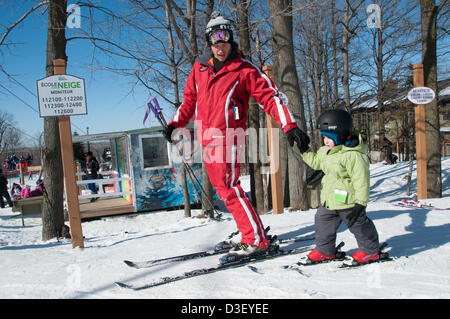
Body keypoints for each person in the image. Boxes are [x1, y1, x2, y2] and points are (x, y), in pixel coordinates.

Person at [163, 12, 309, 257]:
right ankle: (250, 232)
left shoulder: (244, 69)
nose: (221, 47)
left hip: (229, 138)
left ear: (232, 40)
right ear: (210, 42)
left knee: (228, 188)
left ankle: (255, 239)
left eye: (225, 40)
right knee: (225, 190)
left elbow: (270, 96)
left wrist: (289, 125)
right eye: (215, 42)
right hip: (206, 138)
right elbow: (189, 99)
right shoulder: (199, 68)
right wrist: (175, 123)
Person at [298, 109, 380, 264]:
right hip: (329, 199)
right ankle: (324, 251)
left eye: (329, 137)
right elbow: (316, 163)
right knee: (322, 223)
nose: (325, 141)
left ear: (340, 134)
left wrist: (360, 203)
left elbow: (361, 180)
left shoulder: (353, 155)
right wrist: (304, 151)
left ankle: (370, 251)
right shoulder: (326, 152)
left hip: (348, 201)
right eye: (324, 137)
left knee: (358, 225)